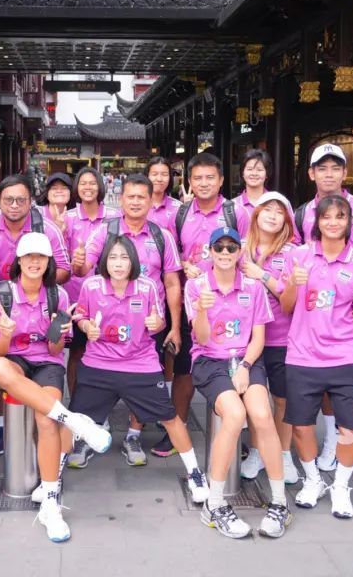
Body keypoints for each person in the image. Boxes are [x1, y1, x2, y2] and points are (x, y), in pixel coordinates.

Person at [0, 232, 111, 542]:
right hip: (12, 360)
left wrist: (58, 333)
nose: (34, 262)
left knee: (47, 419)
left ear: (49, 262)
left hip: (46, 363)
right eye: (29, 256)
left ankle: (51, 501)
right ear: (19, 260)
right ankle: (75, 421)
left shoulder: (58, 296)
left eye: (40, 257)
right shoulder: (2, 296)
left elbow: (55, 351)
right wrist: (6, 334)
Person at [67, 234, 209, 501]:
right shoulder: (91, 286)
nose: (118, 263)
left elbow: (158, 321)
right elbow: (81, 316)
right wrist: (86, 327)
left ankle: (195, 474)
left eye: (124, 257)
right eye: (112, 257)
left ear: (133, 260)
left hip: (140, 364)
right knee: (72, 421)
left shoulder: (147, 287)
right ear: (104, 261)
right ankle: (51, 481)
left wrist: (157, 324)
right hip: (99, 363)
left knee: (170, 418)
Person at [185, 226, 292, 539]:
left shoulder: (253, 286)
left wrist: (245, 366)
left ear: (239, 252)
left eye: (231, 247)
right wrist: (202, 310)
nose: (225, 253)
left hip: (246, 359)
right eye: (219, 247)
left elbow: (259, 337)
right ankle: (215, 504)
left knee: (262, 415)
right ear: (210, 251)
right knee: (235, 414)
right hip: (210, 361)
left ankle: (279, 501)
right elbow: (201, 337)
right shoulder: (197, 286)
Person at [294, 143, 353, 485]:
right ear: (311, 174)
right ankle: (334, 440)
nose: (329, 174)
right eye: (322, 168)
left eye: (335, 168)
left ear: (345, 173)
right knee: (324, 379)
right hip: (318, 313)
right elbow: (296, 255)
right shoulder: (302, 214)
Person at [280, 194, 353, 519]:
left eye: (340, 217)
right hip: (302, 355)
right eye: (327, 217)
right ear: (317, 222)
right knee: (301, 426)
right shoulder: (300, 255)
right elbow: (286, 307)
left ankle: (341, 486)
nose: (333, 223)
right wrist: (293, 284)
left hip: (345, 355)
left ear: (349, 222)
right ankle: (313, 480)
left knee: (351, 430)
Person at [76, 175, 182, 468]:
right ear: (121, 200)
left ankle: (134, 436)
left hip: (148, 322)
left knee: (142, 379)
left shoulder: (162, 236)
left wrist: (174, 326)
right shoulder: (105, 231)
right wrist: (78, 262)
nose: (135, 202)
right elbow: (84, 269)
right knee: (97, 380)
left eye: (141, 197)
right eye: (130, 197)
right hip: (106, 320)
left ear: (150, 200)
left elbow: (172, 282)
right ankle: (94, 432)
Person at [0, 174, 72, 455]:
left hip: (38, 302)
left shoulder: (46, 228)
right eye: (8, 199)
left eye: (21, 200)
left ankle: (43, 418)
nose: (14, 205)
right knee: (1, 360)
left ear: (31, 201)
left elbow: (64, 268)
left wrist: (35, 283)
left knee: (39, 360)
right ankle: (4, 425)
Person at [159, 151, 250, 459]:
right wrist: (184, 265)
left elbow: (245, 255)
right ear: (189, 181)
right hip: (194, 301)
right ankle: (177, 429)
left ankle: (233, 432)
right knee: (184, 368)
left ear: (221, 180)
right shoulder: (181, 213)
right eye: (197, 178)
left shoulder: (236, 213)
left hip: (230, 303)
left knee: (231, 367)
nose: (204, 183)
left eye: (210, 177)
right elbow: (172, 253)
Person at [239, 192, 299, 485]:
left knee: (282, 399)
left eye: (279, 212)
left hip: (281, 338)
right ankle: (257, 450)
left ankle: (283, 453)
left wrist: (262, 275)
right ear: (257, 214)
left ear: (286, 220)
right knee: (254, 397)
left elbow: (291, 300)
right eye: (267, 210)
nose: (273, 216)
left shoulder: (293, 253)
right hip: (246, 339)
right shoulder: (240, 248)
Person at [61, 167, 120, 398]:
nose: (88, 187)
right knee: (77, 352)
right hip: (76, 296)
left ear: (101, 186)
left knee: (107, 349)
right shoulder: (68, 217)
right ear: (76, 187)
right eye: (83, 183)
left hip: (110, 296)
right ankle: (76, 400)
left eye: (92, 183)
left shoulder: (114, 216)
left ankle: (103, 400)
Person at [145, 157, 183, 244]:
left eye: (164, 174)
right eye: (154, 174)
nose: (159, 179)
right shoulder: (137, 205)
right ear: (147, 176)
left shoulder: (179, 208)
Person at [233, 149, 272, 221]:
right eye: (250, 169)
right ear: (242, 173)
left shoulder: (278, 202)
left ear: (266, 174)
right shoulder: (232, 206)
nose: (254, 173)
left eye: (259, 170)